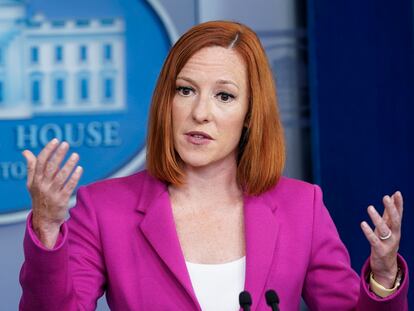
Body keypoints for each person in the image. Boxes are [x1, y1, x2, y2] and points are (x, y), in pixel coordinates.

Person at [19, 21, 408, 311]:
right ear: (166, 103)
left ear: (250, 114)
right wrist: (48, 229)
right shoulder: (103, 208)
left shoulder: (301, 206)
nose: (200, 112)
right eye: (185, 90)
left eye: (224, 96)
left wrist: (385, 278)